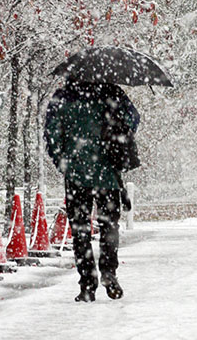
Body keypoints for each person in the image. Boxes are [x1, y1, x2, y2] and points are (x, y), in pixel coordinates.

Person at [44, 78, 140, 302]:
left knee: (80, 230)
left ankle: (87, 283)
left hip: (76, 174)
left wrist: (63, 161)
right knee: (109, 226)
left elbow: (51, 134)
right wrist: (117, 137)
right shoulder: (112, 93)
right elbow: (133, 119)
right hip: (107, 172)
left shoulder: (63, 97)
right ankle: (109, 272)